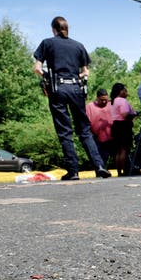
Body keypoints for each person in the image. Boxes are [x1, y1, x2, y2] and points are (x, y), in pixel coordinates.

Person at [33, 16, 111, 180]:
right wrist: (77, 76)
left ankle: (73, 171)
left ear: (54, 29)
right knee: (84, 129)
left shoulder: (47, 43)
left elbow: (37, 68)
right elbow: (85, 72)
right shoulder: (78, 46)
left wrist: (47, 77)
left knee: (65, 131)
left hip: (58, 88)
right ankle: (99, 166)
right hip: (76, 89)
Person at [110, 83, 137, 177]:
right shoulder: (122, 101)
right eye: (124, 90)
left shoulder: (113, 101)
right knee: (124, 149)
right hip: (123, 126)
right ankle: (125, 169)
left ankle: (119, 171)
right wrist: (134, 114)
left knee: (118, 150)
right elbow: (124, 114)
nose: (126, 92)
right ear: (120, 91)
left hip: (115, 126)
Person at [85, 88, 114, 167]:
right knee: (100, 157)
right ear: (97, 98)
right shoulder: (90, 107)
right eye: (102, 100)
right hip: (96, 138)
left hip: (111, 137)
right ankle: (100, 170)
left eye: (105, 100)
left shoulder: (111, 104)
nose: (104, 102)